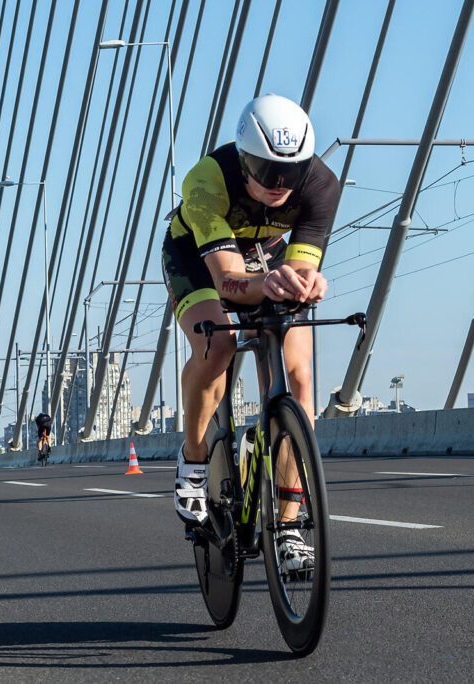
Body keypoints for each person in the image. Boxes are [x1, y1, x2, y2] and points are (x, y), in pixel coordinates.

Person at [162, 94, 338, 574]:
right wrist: (271, 283)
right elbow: (227, 282)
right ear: (243, 161)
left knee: (299, 380)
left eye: (291, 173)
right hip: (198, 258)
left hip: (266, 255)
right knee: (218, 344)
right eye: (266, 171)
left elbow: (300, 266)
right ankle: (193, 460)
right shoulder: (206, 180)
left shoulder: (321, 184)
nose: (279, 185)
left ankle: (288, 528)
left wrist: (307, 282)